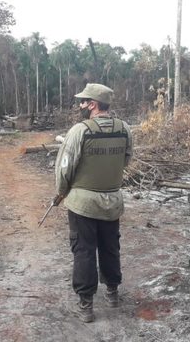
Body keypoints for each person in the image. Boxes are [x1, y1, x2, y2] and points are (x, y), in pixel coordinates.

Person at [54, 83, 133, 323]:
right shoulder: (124, 129)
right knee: (110, 247)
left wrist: (61, 192)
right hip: (112, 202)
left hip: (83, 205)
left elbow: (64, 168)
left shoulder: (80, 131)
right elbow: (126, 159)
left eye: (83, 101)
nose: (80, 105)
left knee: (84, 250)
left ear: (93, 104)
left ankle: (86, 304)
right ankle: (112, 292)